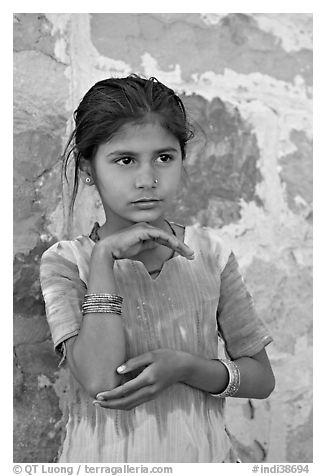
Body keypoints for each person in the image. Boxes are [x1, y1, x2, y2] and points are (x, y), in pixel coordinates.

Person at [40, 74, 275, 463]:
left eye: (164, 157)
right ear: (88, 167)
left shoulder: (210, 255)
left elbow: (262, 379)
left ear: (182, 159)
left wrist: (186, 367)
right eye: (125, 160)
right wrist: (103, 261)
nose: (147, 179)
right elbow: (101, 381)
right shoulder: (68, 262)